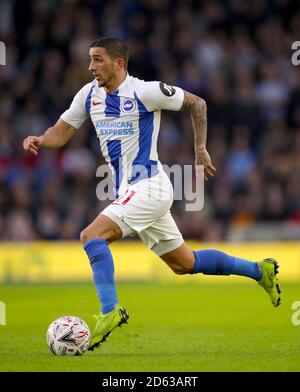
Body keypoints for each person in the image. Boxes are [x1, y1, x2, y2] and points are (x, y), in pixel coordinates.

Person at [23, 36, 281, 351]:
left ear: (119, 63)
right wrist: (40, 139)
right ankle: (259, 270)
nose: (91, 66)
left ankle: (110, 311)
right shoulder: (88, 95)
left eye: (98, 59)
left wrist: (200, 149)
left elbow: (196, 103)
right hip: (134, 191)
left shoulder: (145, 91)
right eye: (90, 59)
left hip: (150, 185)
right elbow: (61, 132)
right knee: (184, 263)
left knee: (91, 236)